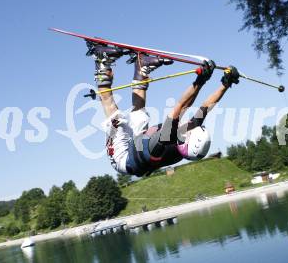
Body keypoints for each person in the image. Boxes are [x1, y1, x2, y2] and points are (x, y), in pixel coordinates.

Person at [87, 43, 240, 177]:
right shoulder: (185, 143)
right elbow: (206, 107)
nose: (191, 125)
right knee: (140, 115)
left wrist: (200, 80)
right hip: (139, 145)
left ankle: (101, 60)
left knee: (115, 117)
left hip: (122, 157)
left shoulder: (165, 140)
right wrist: (226, 84)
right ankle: (141, 67)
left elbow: (181, 105)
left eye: (191, 130)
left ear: (185, 140)